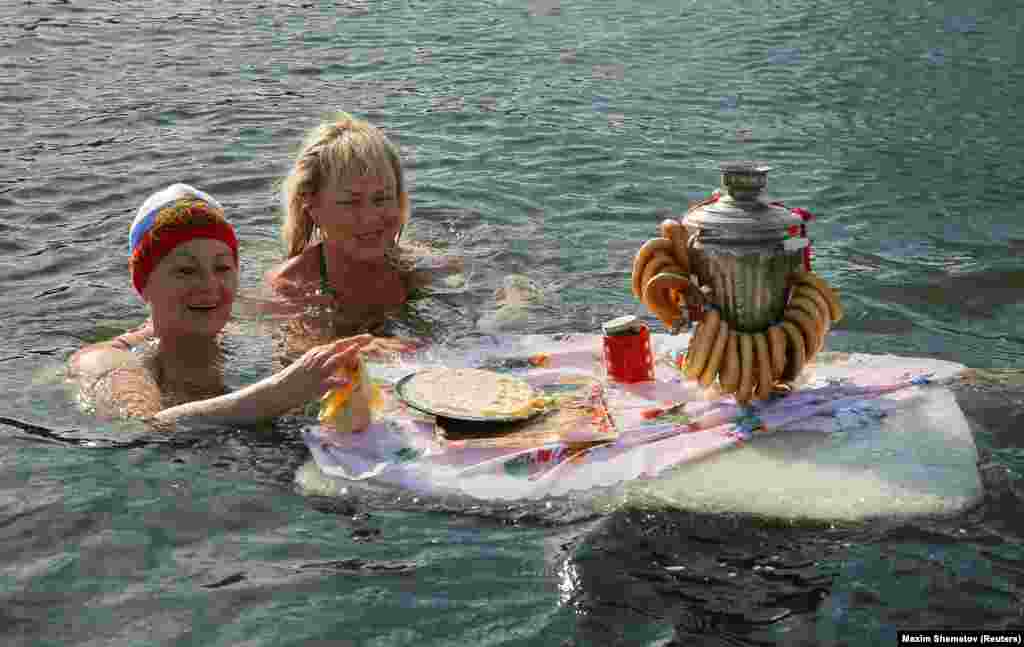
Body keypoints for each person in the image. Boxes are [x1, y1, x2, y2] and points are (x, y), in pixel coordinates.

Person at [68, 183, 374, 428]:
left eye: (222, 268)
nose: (210, 286)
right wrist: (279, 393)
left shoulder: (253, 338)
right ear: (144, 283)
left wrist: (356, 359)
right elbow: (143, 428)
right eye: (186, 271)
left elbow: (310, 372)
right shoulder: (104, 360)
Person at [264, 113, 460, 355]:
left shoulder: (415, 266)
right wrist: (354, 353)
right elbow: (296, 358)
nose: (369, 217)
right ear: (312, 206)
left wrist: (512, 297)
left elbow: (478, 289)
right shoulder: (290, 288)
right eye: (350, 202)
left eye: (382, 198)